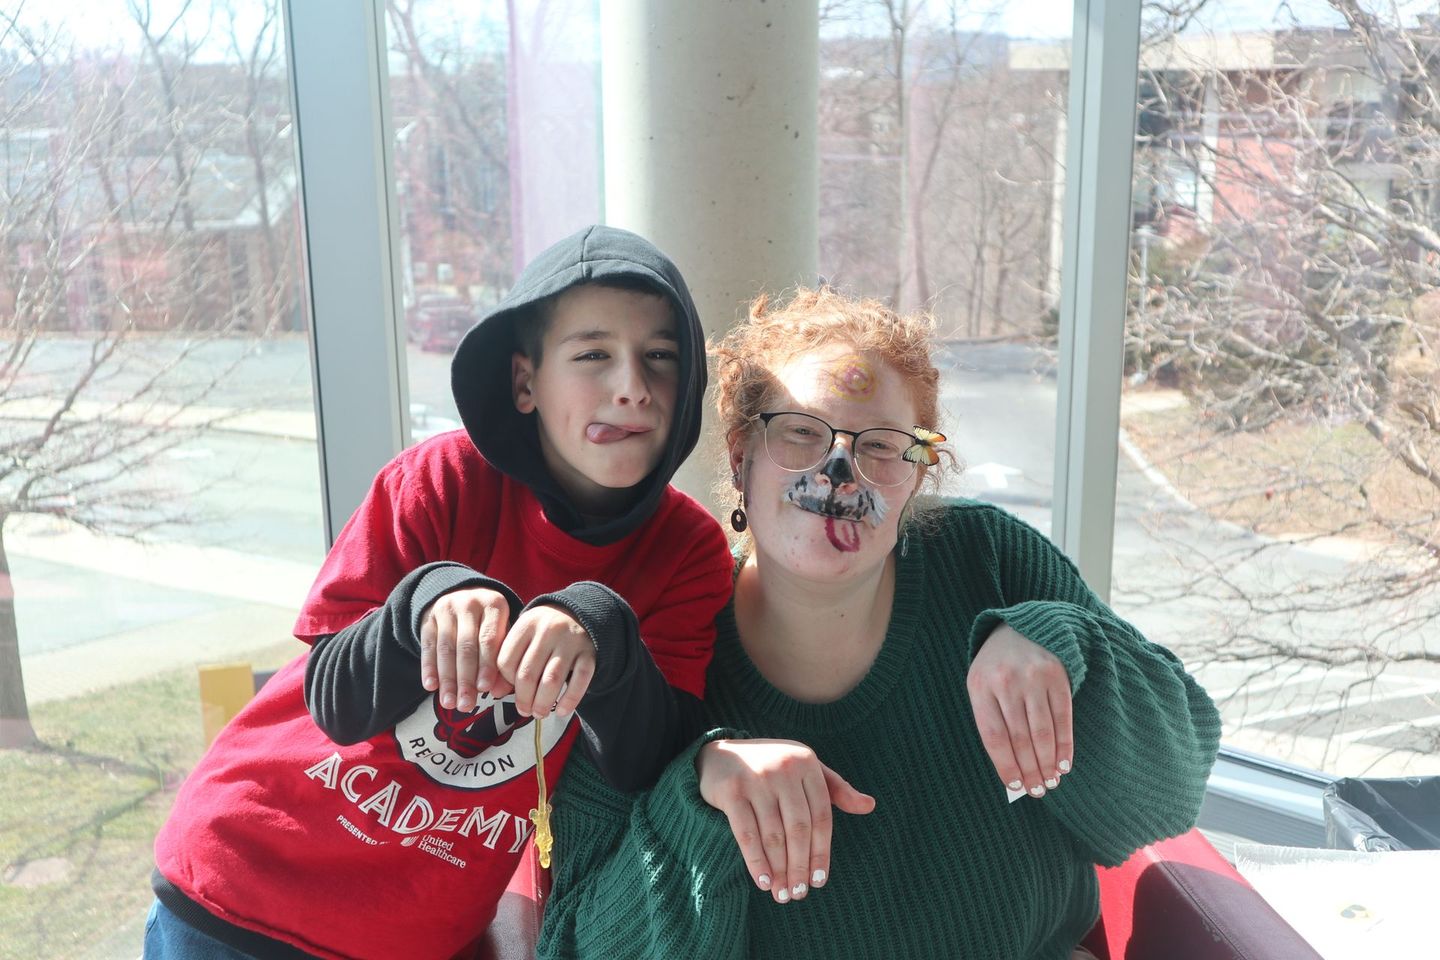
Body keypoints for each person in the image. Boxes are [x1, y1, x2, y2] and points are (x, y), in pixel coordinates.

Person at [536, 287, 1222, 960]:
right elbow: (571, 943)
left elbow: (1170, 795)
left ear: (916, 479)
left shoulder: (984, 558)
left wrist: (1067, 647)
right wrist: (698, 797)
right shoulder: (659, 639)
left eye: (884, 448)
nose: (838, 473)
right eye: (801, 434)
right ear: (743, 459)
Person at [144, 225, 735, 960]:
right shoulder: (441, 478)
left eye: (660, 358)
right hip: (243, 886)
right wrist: (427, 601)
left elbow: (649, 765)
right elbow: (335, 698)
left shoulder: (690, 552)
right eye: (592, 355)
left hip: (418, 932)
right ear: (525, 383)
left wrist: (603, 631)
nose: (631, 387)